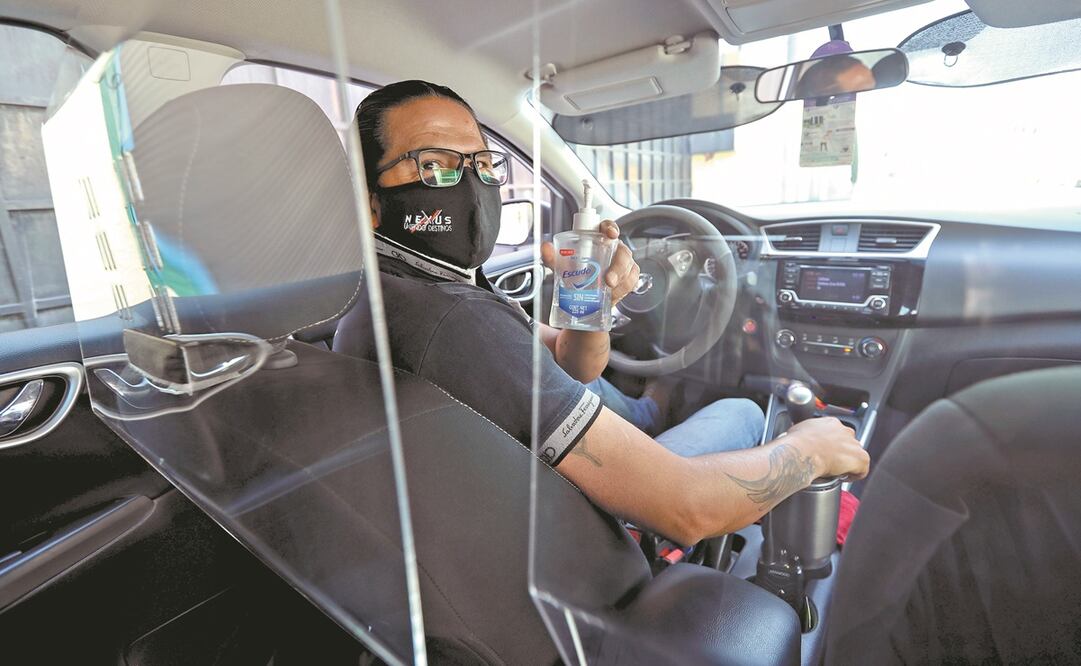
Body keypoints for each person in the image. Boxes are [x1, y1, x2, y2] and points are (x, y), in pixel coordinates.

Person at [333, 80, 869, 545]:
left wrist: (595, 298)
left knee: (641, 406)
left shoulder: (402, 289)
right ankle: (659, 410)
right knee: (745, 413)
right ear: (369, 200)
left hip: (511, 493)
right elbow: (687, 508)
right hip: (582, 527)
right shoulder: (455, 323)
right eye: (434, 165)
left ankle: (653, 410)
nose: (473, 186)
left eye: (482, 164)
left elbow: (573, 362)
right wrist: (809, 448)